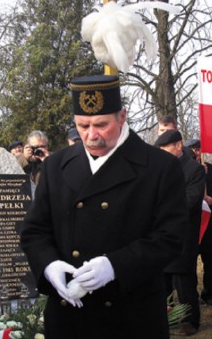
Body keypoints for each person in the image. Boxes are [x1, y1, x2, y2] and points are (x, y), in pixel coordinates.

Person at [19, 75, 188, 339]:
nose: (91, 135)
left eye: (101, 124)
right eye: (82, 125)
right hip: (69, 318)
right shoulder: (56, 166)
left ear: (122, 116)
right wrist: (49, 265)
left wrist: (116, 265)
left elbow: (171, 238)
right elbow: (35, 230)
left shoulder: (159, 167)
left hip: (130, 315)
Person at [155, 130, 206, 336]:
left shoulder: (194, 169)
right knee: (161, 281)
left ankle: (190, 320)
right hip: (159, 234)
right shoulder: (158, 168)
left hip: (183, 234)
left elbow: (191, 201)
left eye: (166, 148)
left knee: (184, 280)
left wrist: (160, 208)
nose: (162, 153)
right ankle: (163, 317)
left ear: (178, 146)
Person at [185, 138, 212, 306]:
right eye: (193, 149)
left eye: (199, 149)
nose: (197, 153)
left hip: (209, 221)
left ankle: (209, 293)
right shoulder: (184, 169)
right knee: (190, 260)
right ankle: (190, 292)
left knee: (210, 259)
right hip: (192, 222)